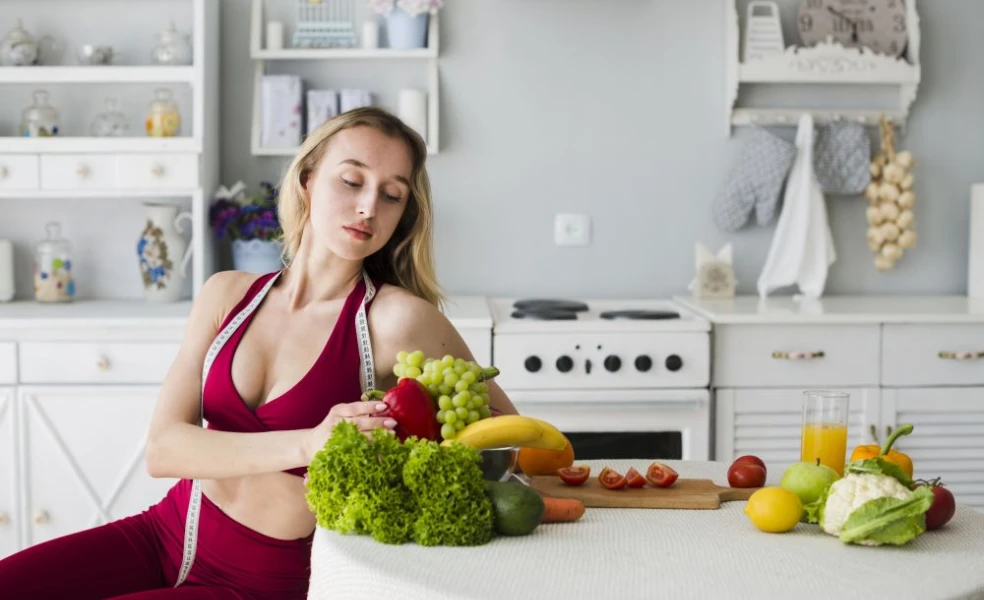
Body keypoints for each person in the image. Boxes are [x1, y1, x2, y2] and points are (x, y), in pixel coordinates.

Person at [0, 107, 519, 600]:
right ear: (307, 180)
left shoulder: (395, 319)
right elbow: (164, 449)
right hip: (163, 533)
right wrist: (309, 444)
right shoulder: (226, 295)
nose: (368, 207)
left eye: (392, 195)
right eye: (351, 180)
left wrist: (398, 465)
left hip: (258, 584)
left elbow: (506, 439)